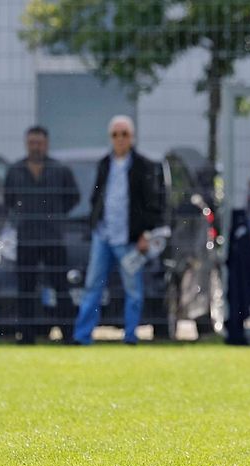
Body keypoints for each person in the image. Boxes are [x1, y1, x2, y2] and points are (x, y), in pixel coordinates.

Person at [73, 115, 165, 345]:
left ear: (132, 137)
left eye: (124, 134)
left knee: (133, 289)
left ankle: (130, 335)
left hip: (129, 238)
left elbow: (152, 204)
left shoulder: (143, 166)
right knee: (92, 286)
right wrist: (95, 222)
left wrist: (145, 234)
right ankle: (82, 336)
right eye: (115, 134)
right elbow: (96, 197)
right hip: (104, 235)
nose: (120, 139)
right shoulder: (105, 164)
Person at [3, 125, 79, 344]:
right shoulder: (15, 170)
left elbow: (72, 198)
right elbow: (9, 200)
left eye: (39, 143)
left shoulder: (60, 170)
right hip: (26, 237)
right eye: (31, 143)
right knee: (26, 289)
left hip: (52, 237)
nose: (35, 147)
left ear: (46, 144)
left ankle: (68, 335)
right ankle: (26, 336)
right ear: (26, 144)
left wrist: (54, 215)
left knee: (61, 286)